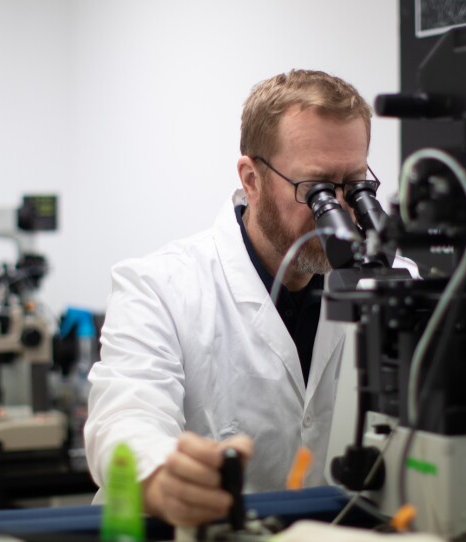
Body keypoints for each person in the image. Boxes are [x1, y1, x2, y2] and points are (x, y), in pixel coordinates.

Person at [84, 69, 419, 527]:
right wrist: (163, 476)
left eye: (355, 185)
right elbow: (124, 418)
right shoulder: (158, 286)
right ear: (252, 178)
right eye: (315, 189)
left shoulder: (394, 285)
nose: (339, 208)